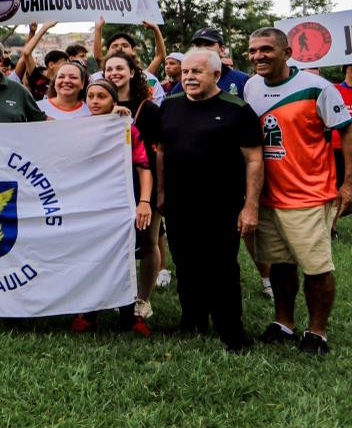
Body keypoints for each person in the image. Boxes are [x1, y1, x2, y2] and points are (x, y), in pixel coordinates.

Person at [245, 28, 352, 355]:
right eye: (252, 51)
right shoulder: (251, 87)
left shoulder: (317, 87)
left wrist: (348, 184)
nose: (258, 56)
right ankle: (284, 323)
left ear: (288, 52)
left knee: (316, 267)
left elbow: (346, 133)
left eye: (266, 50)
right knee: (279, 264)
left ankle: (317, 332)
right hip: (267, 197)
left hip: (307, 195)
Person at [155, 49, 262, 352]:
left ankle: (232, 330)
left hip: (221, 205)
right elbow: (161, 151)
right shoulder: (170, 105)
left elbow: (254, 159)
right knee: (186, 264)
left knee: (222, 267)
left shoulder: (237, 109)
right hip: (178, 203)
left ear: (216, 75)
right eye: (186, 72)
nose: (188, 77)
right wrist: (161, 192)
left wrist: (250, 205)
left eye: (197, 72)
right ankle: (193, 320)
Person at [69, 79, 155, 336]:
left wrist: (145, 201)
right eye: (91, 96)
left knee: (124, 256)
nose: (95, 101)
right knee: (92, 257)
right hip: (89, 203)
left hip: (120, 201)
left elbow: (144, 167)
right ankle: (90, 312)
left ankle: (129, 315)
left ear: (113, 101)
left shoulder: (127, 128)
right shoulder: (77, 129)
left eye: (101, 97)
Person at [103, 53, 162, 314]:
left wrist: (153, 195)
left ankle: (143, 299)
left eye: (119, 68)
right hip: (110, 187)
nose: (113, 73)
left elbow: (160, 151)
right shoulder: (97, 105)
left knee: (148, 241)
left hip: (143, 184)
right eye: (108, 69)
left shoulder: (148, 109)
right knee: (114, 243)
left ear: (131, 73)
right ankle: (117, 295)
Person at [92, 19, 167, 104]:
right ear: (108, 52)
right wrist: (98, 28)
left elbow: (159, 57)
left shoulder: (148, 78)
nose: (119, 48)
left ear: (133, 51)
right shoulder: (96, 79)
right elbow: (98, 57)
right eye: (114, 46)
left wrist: (156, 29)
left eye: (125, 45)